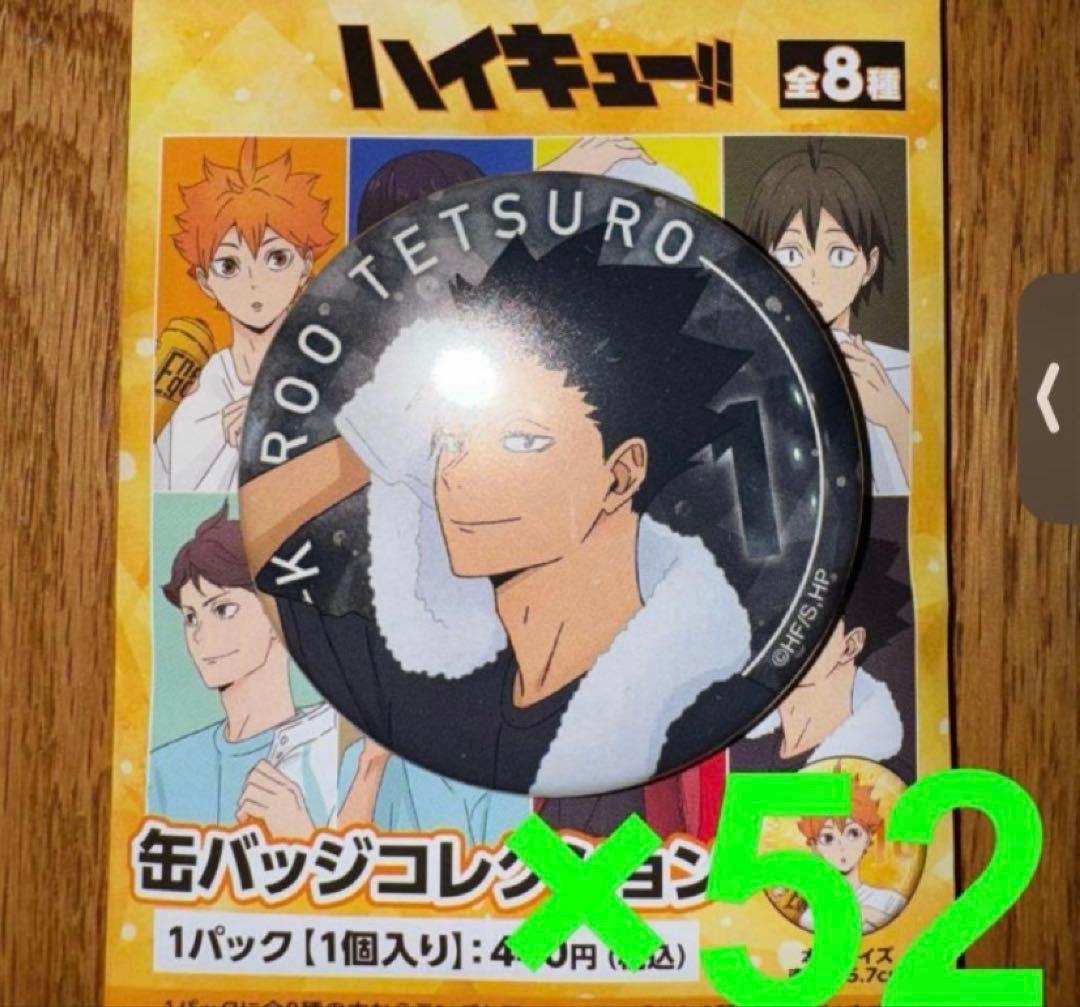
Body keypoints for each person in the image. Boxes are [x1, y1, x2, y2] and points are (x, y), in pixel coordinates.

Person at [242, 226, 757, 797]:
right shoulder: (430, 690)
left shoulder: (699, 711)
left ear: (621, 474)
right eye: (448, 440)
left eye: (522, 440)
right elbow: (248, 550)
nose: (457, 474)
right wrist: (369, 442)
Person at [153, 138, 336, 493]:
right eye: (229, 265)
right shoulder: (190, 388)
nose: (255, 283)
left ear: (305, 266)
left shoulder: (328, 380)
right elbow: (159, 507)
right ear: (205, 281)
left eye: (277, 259)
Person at [148, 506, 338, 836]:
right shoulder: (164, 769)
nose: (200, 635)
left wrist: (300, 837)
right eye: (190, 617)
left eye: (223, 610)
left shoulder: (336, 746)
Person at [743, 140, 911, 495]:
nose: (814, 277)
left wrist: (895, 417)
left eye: (839, 255)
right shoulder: (740, 371)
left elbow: (932, 499)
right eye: (791, 255)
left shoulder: (900, 373)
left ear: (870, 265)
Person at [734, 525, 913, 781]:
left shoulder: (882, 780)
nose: (781, 634)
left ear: (850, 644)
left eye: (807, 617)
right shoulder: (731, 759)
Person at [796, 779, 908, 933]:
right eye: (828, 838)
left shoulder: (891, 902)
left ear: (867, 838)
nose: (842, 846)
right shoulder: (812, 917)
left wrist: (871, 914)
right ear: (815, 846)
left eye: (853, 833)